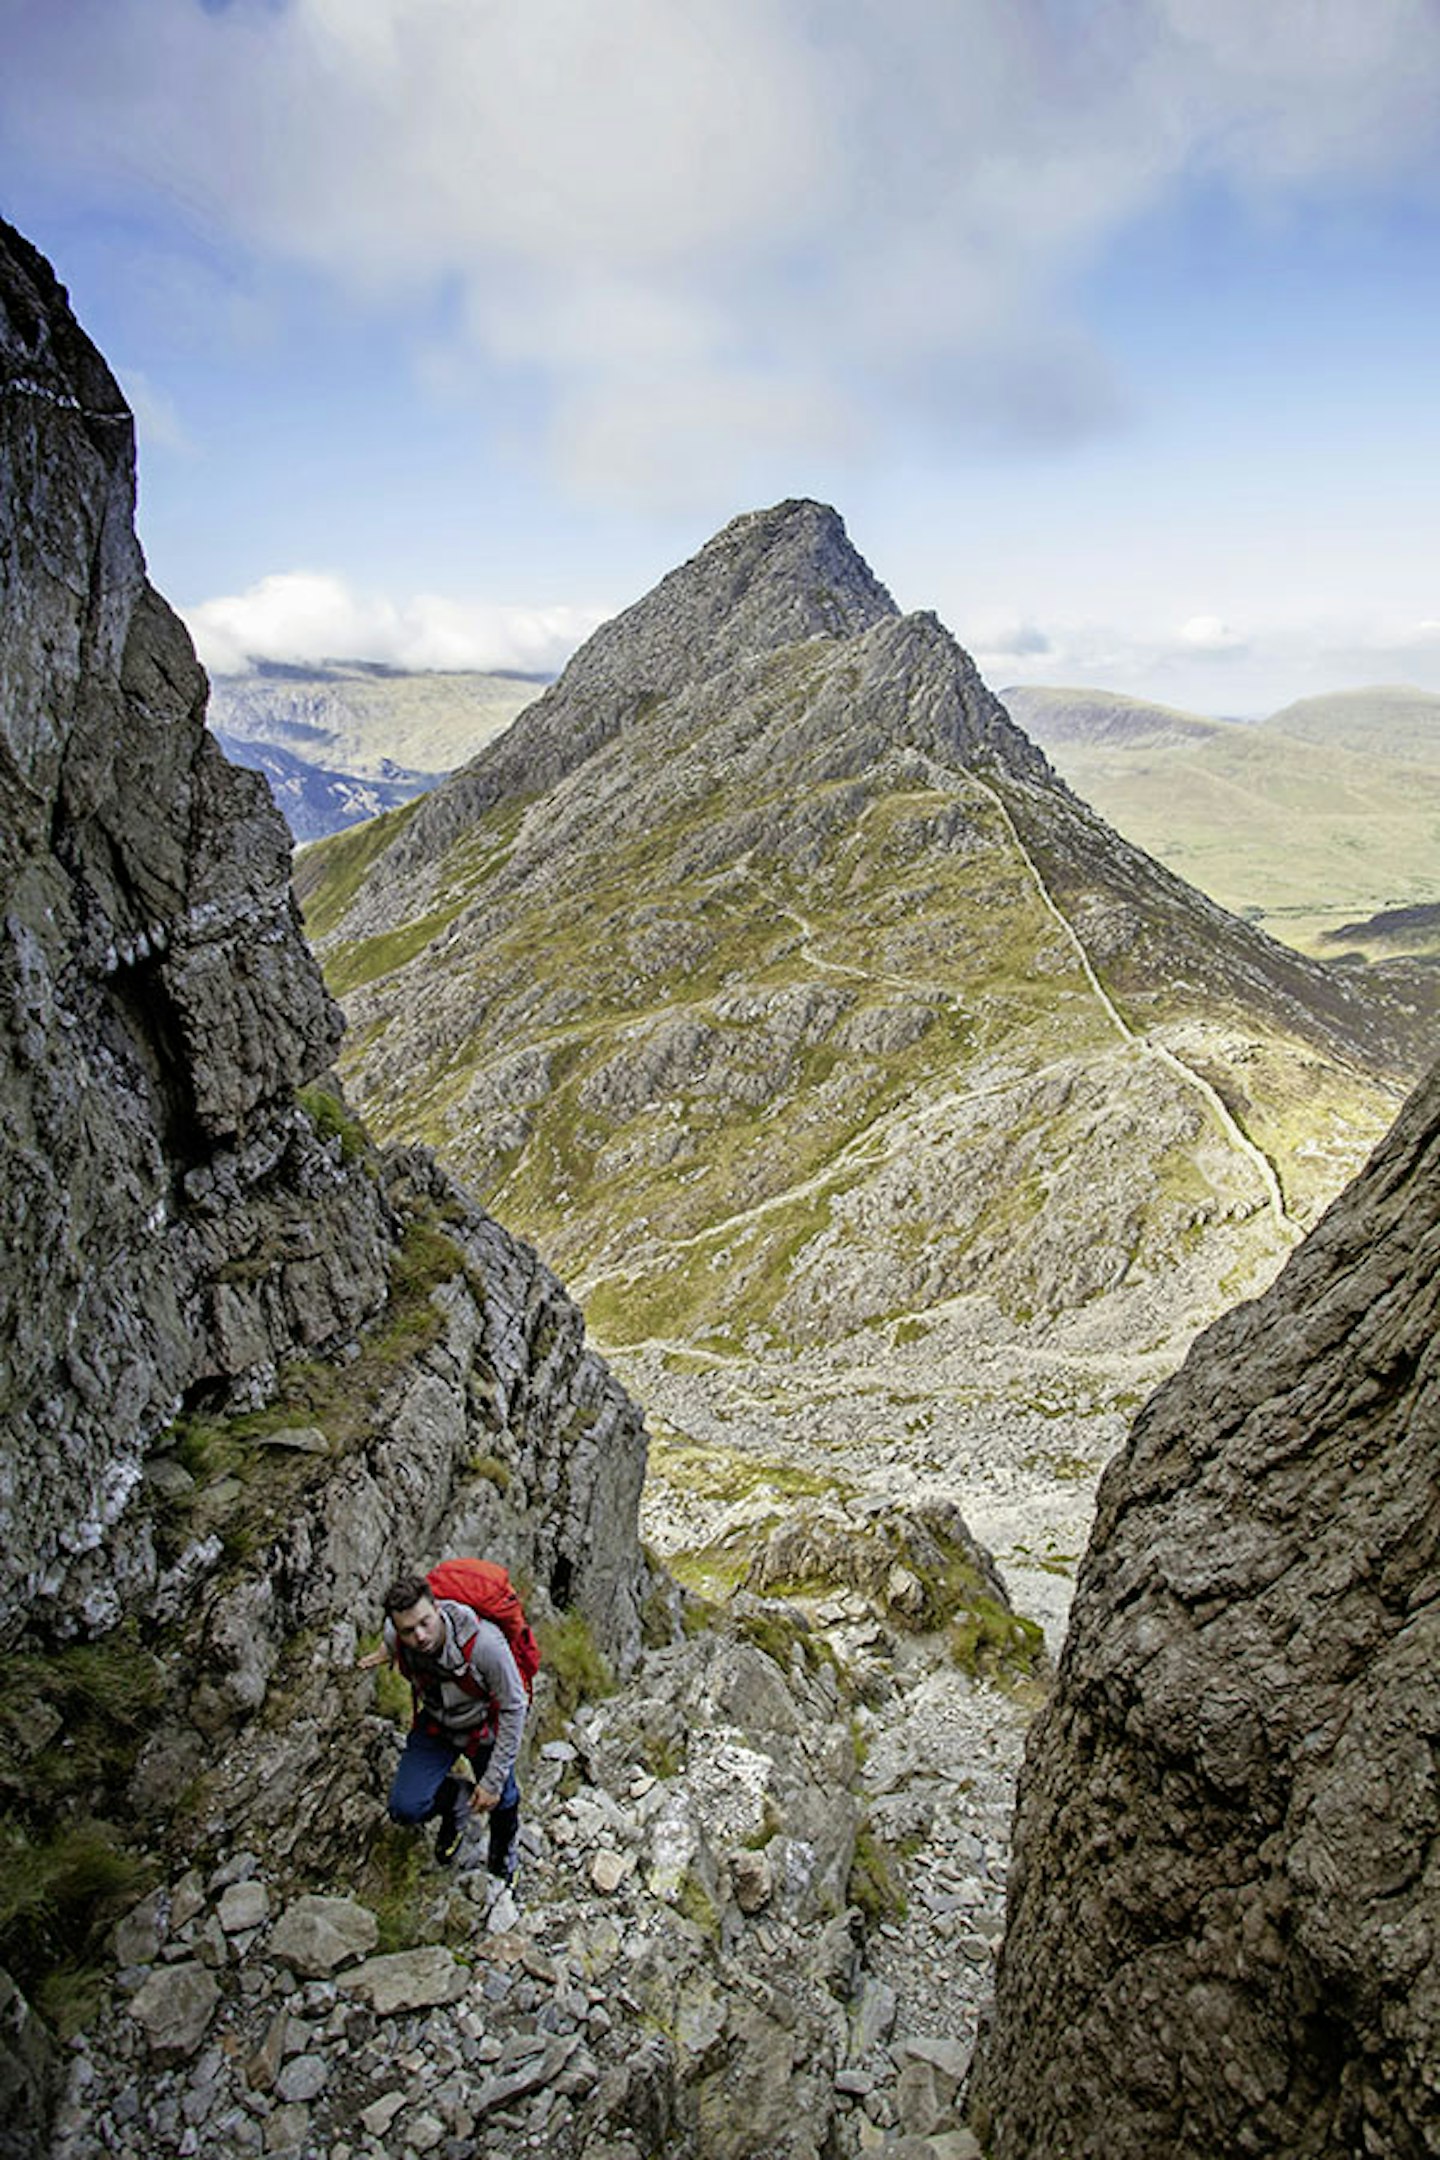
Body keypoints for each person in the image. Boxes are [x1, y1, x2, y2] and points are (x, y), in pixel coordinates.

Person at [358, 1572, 526, 1874]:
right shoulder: (397, 1636)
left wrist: (492, 1781)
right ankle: (455, 1798)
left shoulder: (485, 1644)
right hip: (436, 1723)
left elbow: (514, 1706)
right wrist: (388, 1650)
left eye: (425, 1623)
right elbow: (393, 1639)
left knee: (503, 1799)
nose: (419, 1636)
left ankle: (503, 1861)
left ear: (438, 1608)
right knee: (404, 1809)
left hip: (482, 1727)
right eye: (408, 1630)